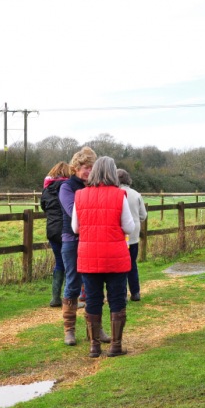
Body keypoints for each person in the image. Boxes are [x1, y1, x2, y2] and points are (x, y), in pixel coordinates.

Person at [73, 156, 135, 358]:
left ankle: (94, 346)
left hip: (89, 255)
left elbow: (75, 228)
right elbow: (129, 227)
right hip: (115, 255)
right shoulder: (119, 195)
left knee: (93, 299)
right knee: (117, 298)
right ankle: (116, 346)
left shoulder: (80, 195)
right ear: (112, 172)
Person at [58, 146, 110, 346]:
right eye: (85, 167)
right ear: (76, 168)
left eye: (91, 167)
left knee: (94, 285)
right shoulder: (67, 187)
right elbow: (74, 212)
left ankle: (95, 329)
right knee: (73, 282)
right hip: (72, 240)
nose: (89, 171)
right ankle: (69, 330)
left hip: (94, 240)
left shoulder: (97, 186)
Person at [41, 161, 70, 307]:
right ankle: (69, 297)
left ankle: (55, 298)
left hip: (52, 230)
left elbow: (43, 207)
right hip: (66, 229)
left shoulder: (47, 189)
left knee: (59, 262)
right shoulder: (68, 187)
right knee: (70, 263)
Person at [117, 168, 148, 301]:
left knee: (120, 266)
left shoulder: (115, 194)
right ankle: (135, 292)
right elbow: (143, 215)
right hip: (133, 236)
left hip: (119, 235)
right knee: (132, 264)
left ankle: (122, 294)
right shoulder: (136, 194)